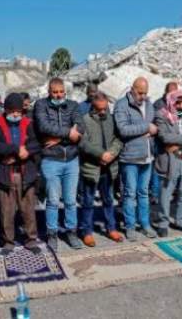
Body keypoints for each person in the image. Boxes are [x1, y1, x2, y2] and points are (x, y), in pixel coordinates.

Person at [33, 78, 85, 251]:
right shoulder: (41, 105)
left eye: (61, 91)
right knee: (53, 200)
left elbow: (81, 128)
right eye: (55, 92)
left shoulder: (73, 105)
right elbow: (43, 127)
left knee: (70, 200)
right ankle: (52, 233)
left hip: (71, 159)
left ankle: (71, 231)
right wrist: (68, 133)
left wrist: (57, 138)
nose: (59, 95)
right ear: (49, 91)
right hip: (51, 160)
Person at [0, 93, 41, 255]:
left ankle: (31, 239)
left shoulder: (28, 123)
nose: (16, 114)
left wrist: (26, 151)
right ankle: (8, 241)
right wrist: (15, 150)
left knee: (28, 209)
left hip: (25, 172)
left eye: (18, 111)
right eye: (12, 111)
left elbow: (37, 143)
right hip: (4, 173)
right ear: (5, 110)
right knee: (6, 209)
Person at [113, 77, 158, 241]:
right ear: (132, 89)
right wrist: (146, 128)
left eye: (145, 93)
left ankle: (145, 224)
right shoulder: (121, 105)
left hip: (147, 156)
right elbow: (123, 129)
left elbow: (154, 125)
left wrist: (153, 130)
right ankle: (130, 226)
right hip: (130, 157)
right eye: (140, 93)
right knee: (130, 193)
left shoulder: (149, 104)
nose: (143, 96)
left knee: (144, 193)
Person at [78, 91, 124, 246]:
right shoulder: (85, 120)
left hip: (109, 168)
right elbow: (83, 143)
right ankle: (87, 232)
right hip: (91, 168)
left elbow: (118, 139)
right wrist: (100, 154)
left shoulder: (111, 120)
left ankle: (111, 228)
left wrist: (111, 153)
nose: (103, 112)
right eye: (100, 109)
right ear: (93, 107)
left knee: (109, 199)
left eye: (105, 109)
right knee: (88, 201)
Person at [153, 90, 182, 237]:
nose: (180, 106)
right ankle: (163, 223)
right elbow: (165, 137)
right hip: (169, 159)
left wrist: (181, 141)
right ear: (171, 102)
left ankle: (181, 221)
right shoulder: (161, 115)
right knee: (165, 194)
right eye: (177, 103)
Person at [151, 81, 179, 204]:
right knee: (159, 169)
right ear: (166, 92)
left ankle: (172, 192)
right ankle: (155, 194)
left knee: (175, 167)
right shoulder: (158, 104)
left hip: (176, 142)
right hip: (160, 142)